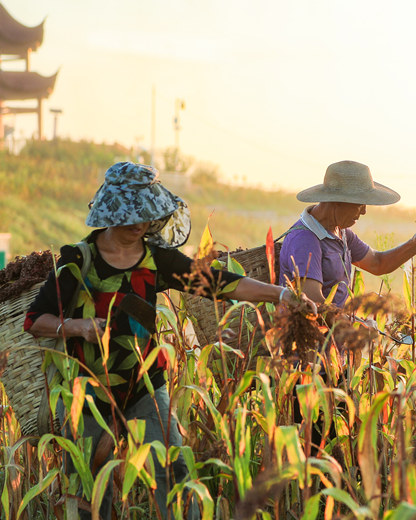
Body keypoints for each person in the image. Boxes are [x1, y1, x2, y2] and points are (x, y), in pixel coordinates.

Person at [24, 161, 315, 520]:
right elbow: (36, 320)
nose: (141, 224)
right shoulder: (78, 260)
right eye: (133, 216)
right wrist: (80, 327)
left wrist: (281, 294)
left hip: (146, 384)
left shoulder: (157, 259)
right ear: (112, 214)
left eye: (147, 216)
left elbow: (219, 283)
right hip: (89, 390)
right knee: (87, 488)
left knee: (174, 473)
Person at [279, 160, 416, 309]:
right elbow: (313, 305)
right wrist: (356, 327)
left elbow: (377, 263)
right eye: (360, 204)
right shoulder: (305, 240)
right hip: (315, 335)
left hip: (337, 329)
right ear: (337, 201)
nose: (364, 211)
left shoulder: (341, 233)